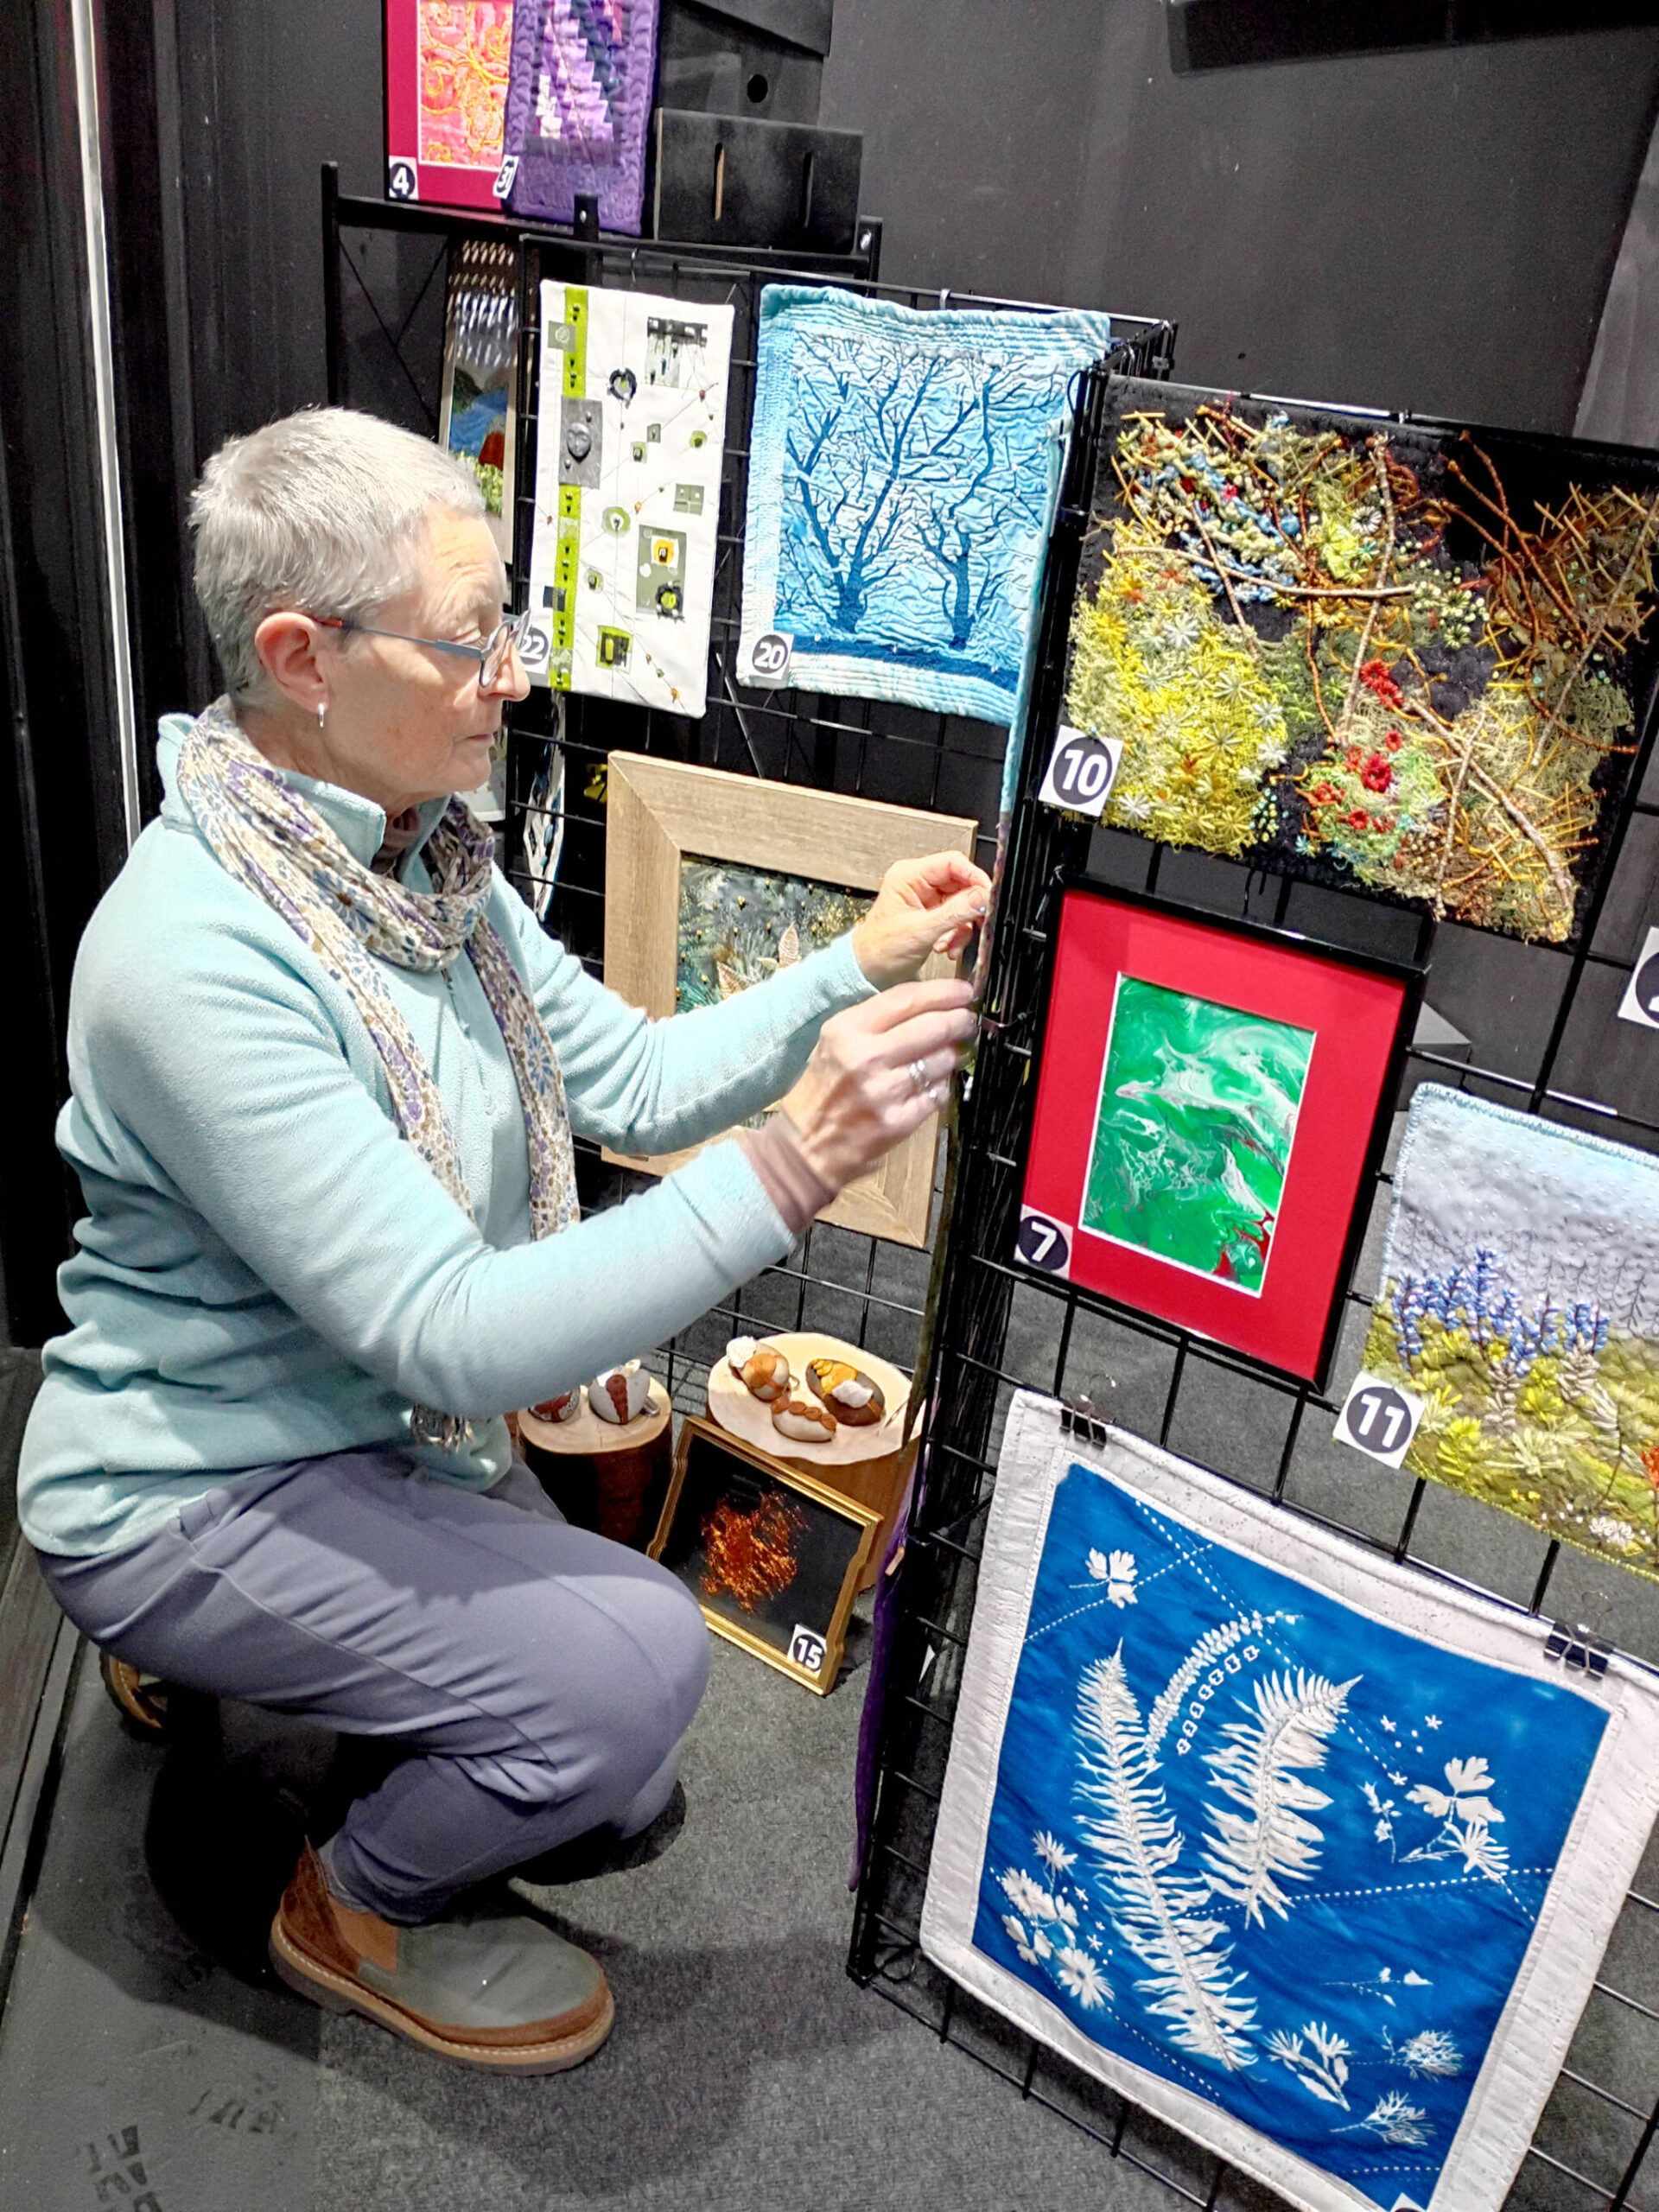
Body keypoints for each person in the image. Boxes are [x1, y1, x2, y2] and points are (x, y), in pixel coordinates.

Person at [18, 407, 986, 2075]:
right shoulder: (192, 955)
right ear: (301, 658)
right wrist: (793, 1163)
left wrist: (855, 965)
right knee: (630, 1680)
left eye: (508, 629)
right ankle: (348, 1900)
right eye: (472, 641)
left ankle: (236, 1680)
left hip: (351, 1427)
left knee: (607, 1735)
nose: (514, 677)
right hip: (191, 1484)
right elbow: (451, 1335)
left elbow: (621, 1072)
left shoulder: (419, 862)